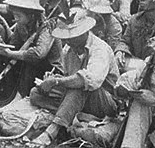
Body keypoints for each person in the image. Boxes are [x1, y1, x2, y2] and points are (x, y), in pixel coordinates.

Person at [30, 15, 119, 146]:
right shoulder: (69, 49)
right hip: (78, 97)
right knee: (36, 93)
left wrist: (57, 81)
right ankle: (70, 113)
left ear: (85, 33)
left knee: (80, 86)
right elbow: (69, 76)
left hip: (104, 100)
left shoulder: (100, 49)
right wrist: (54, 78)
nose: (69, 41)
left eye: (73, 37)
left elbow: (89, 80)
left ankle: (53, 130)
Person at [0, 0, 63, 100]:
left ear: (31, 15)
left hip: (49, 70)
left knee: (30, 62)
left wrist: (10, 53)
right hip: (28, 65)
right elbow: (14, 45)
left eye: (18, 16)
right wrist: (2, 45)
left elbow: (38, 54)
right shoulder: (21, 25)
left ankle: (18, 98)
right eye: (14, 15)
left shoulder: (48, 27)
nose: (15, 19)